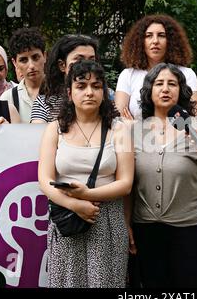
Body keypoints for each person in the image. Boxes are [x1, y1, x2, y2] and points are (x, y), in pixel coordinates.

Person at [38, 60, 134, 287]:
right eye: (81, 86)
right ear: (69, 93)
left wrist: (88, 195)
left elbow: (126, 182)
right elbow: (44, 179)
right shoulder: (55, 128)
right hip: (67, 218)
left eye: (96, 86)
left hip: (107, 219)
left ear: (104, 92)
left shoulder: (118, 129)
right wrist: (75, 204)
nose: (89, 92)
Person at [130, 62, 197, 288]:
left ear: (181, 90)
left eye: (172, 84)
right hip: (146, 227)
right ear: (149, 91)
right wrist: (127, 226)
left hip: (191, 228)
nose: (165, 89)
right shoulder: (133, 131)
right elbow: (128, 184)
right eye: (159, 83)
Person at [115, 14, 197, 118]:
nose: (155, 41)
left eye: (161, 35)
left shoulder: (187, 74)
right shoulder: (128, 75)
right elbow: (120, 117)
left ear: (171, 41)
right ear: (140, 41)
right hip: (132, 134)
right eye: (149, 35)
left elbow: (193, 117)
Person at [30, 34, 98, 123]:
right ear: (62, 65)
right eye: (78, 60)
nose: (86, 66)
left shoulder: (105, 96)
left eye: (91, 61)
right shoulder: (45, 103)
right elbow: (37, 133)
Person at [0, 27, 46, 123]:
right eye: (23, 60)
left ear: (44, 56)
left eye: (35, 57)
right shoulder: (8, 98)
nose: (31, 65)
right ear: (15, 63)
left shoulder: (63, 92)